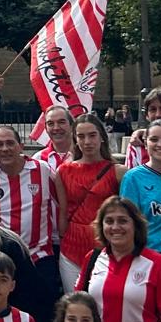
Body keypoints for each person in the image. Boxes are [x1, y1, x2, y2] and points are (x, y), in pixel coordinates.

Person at [0, 123, 63, 322]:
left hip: (38, 257)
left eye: (10, 143)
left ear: (20, 146)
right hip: (0, 259)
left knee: (42, 319)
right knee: (1, 319)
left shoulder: (42, 170)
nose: (5, 149)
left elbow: (60, 204)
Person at [57, 114, 121, 290]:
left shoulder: (118, 172)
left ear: (102, 137)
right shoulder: (63, 171)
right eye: (81, 136)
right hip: (70, 247)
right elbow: (63, 211)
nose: (87, 141)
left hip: (105, 246)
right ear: (75, 140)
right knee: (74, 302)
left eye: (92, 135)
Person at [120, 119, 161, 272]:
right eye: (154, 139)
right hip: (146, 254)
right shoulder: (133, 178)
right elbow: (127, 220)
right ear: (146, 144)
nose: (160, 144)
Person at [35, 105, 74, 171]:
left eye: (61, 122)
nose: (56, 128)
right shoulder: (38, 159)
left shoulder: (84, 156)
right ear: (46, 128)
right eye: (50, 123)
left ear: (71, 125)